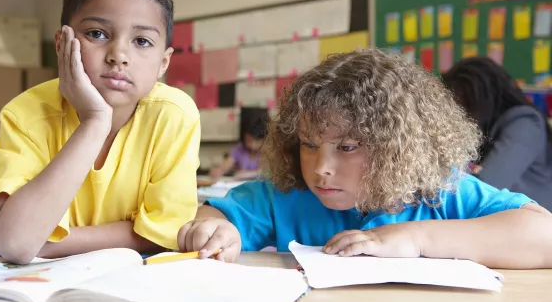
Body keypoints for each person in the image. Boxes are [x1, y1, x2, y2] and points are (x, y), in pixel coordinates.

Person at [178, 49, 552, 269]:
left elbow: (544, 234)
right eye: (308, 144)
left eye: (346, 147)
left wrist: (416, 238)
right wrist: (215, 229)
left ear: (399, 148)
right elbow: (217, 216)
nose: (320, 168)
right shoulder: (285, 195)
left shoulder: (441, 193)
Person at [0, 0, 201, 264]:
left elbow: (163, 235)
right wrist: (95, 122)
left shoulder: (173, 115)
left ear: (163, 63)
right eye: (97, 34)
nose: (119, 56)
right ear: (61, 43)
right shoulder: (27, 113)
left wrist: (33, 240)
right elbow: (17, 243)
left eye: (141, 41)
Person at [442, 57, 552, 207]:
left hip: (535, 223)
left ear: (483, 98)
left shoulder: (525, 122)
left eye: (464, 103)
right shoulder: (488, 127)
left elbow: (488, 186)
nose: (461, 113)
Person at [209, 116, 267, 180]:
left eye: (252, 140)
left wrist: (248, 174)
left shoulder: (267, 151)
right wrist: (219, 170)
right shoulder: (239, 148)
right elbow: (227, 164)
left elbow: (265, 172)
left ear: (262, 140)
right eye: (247, 140)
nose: (249, 143)